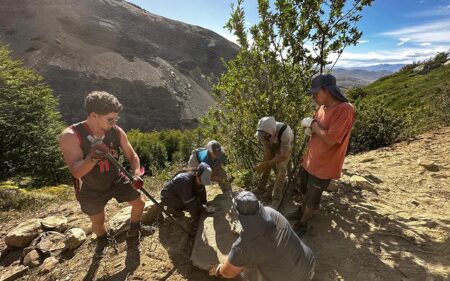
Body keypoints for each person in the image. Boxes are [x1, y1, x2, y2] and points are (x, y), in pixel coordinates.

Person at [59, 91, 155, 257]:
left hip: (116, 178)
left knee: (139, 203)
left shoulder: (116, 131)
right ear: (94, 115)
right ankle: (103, 239)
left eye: (116, 118)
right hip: (90, 187)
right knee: (98, 223)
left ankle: (134, 229)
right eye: (110, 119)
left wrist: (136, 174)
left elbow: (132, 156)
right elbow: (76, 171)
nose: (114, 122)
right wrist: (93, 157)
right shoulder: (71, 136)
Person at [291, 74, 355, 236]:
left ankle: (304, 222)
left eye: (315, 93)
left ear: (327, 90)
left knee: (313, 195)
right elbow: (318, 129)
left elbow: (331, 139)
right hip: (311, 159)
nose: (313, 97)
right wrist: (311, 128)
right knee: (303, 187)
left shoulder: (345, 109)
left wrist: (312, 124)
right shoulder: (321, 107)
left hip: (325, 164)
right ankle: (301, 210)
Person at [209, 191, 316, 281]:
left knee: (245, 268)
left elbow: (229, 272)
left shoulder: (243, 247)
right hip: (309, 264)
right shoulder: (272, 213)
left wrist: (219, 270)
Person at [254, 117, 294, 205]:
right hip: (275, 144)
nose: (263, 137)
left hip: (284, 147)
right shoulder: (263, 134)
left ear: (271, 131)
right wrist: (263, 164)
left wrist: (268, 163)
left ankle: (276, 198)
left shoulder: (285, 132)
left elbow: (284, 156)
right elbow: (267, 151)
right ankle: (260, 188)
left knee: (281, 168)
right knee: (266, 165)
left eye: (266, 135)